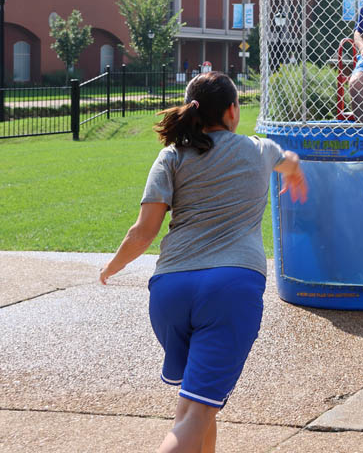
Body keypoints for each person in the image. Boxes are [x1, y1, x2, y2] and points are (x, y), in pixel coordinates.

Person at [99, 72, 307, 453]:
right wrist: (295, 175)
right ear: (231, 111)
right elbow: (290, 160)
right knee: (196, 415)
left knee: (196, 409)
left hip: (169, 293)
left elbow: (143, 232)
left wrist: (114, 266)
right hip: (230, 288)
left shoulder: (172, 156)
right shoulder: (259, 151)